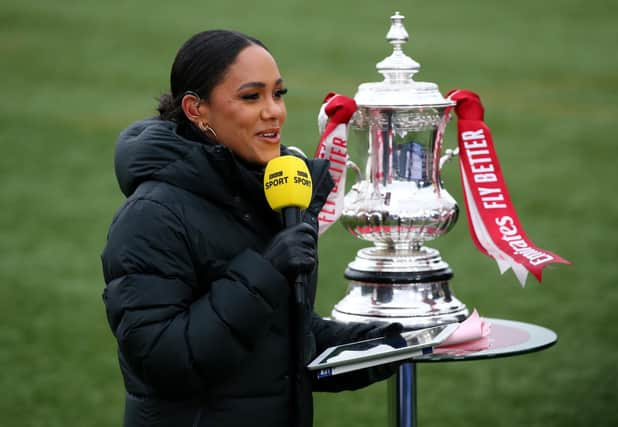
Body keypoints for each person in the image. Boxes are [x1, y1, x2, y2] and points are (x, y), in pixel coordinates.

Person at [101, 29, 401, 427]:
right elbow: (163, 360)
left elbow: (279, 340)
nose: (273, 111)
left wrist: (394, 342)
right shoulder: (152, 215)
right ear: (196, 110)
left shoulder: (264, 193)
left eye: (278, 94)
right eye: (251, 96)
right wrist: (266, 270)